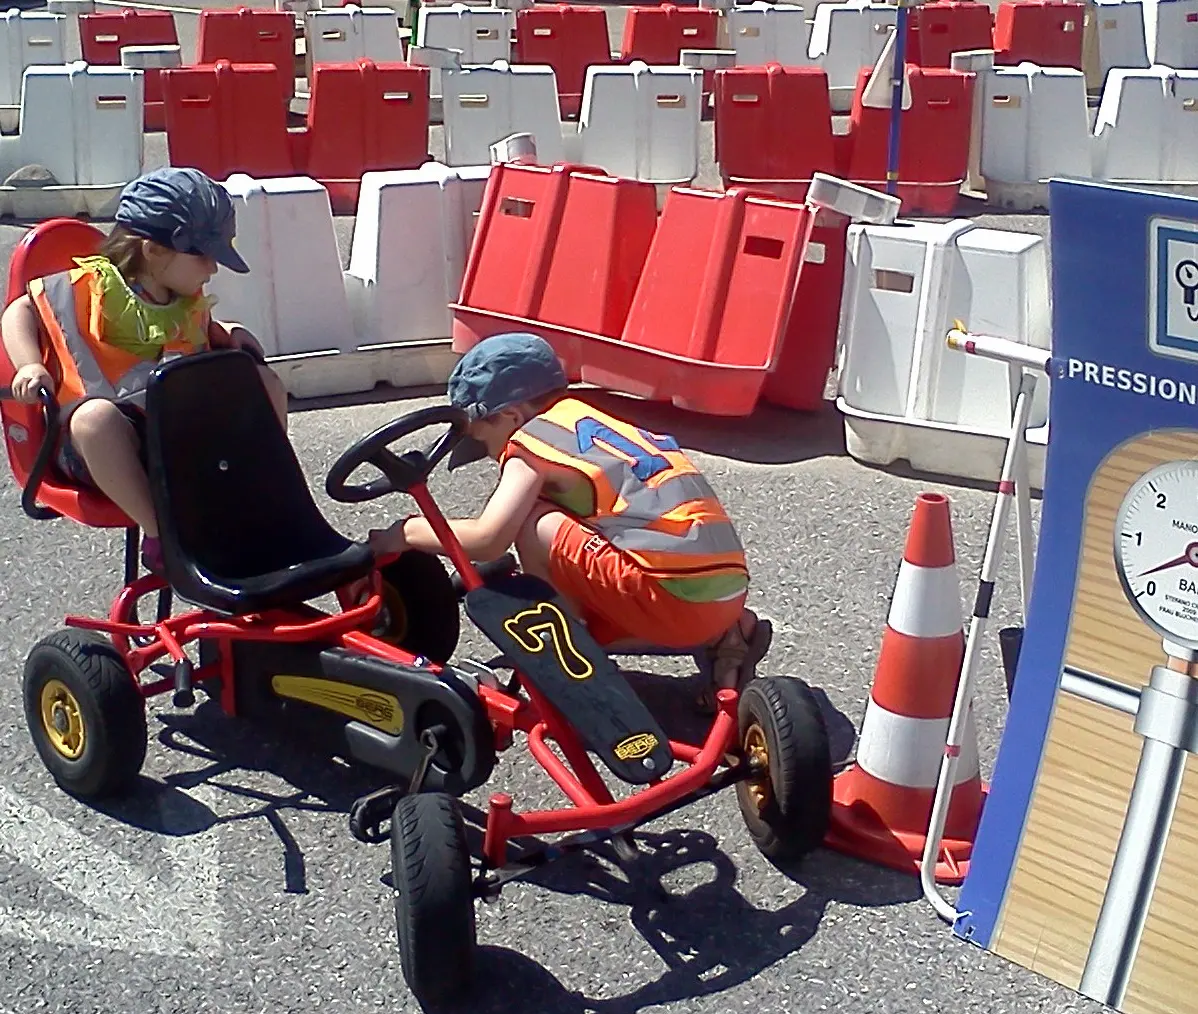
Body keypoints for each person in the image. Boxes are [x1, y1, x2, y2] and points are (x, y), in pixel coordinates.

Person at [367, 332, 772, 705]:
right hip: (727, 595)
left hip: (671, 603)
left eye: (482, 438)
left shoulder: (531, 440)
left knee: (533, 523)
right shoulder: (588, 419)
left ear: (509, 416)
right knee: (593, 532)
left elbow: (487, 540)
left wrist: (405, 532)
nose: (490, 454)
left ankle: (563, 655)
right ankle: (729, 636)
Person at [1, 166, 289, 575]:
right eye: (204, 256)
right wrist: (30, 364)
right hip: (97, 448)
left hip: (177, 433)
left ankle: (256, 497)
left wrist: (225, 330)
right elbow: (19, 310)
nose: (213, 269)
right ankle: (163, 538)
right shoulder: (81, 286)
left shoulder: (180, 293)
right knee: (94, 419)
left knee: (264, 382)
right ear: (152, 251)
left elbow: (188, 333)